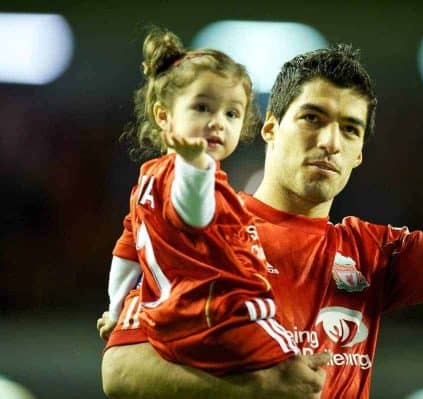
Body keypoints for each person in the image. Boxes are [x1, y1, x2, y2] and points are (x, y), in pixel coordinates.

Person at [100, 19, 423, 398]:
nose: (330, 142)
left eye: (349, 129)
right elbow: (120, 372)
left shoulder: (373, 253)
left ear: (359, 154)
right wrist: (259, 391)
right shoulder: (204, 227)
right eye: (312, 118)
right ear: (270, 127)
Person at [100, 26, 302, 377]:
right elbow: (193, 216)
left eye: (232, 114)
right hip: (214, 318)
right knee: (302, 370)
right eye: (202, 107)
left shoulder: (147, 178)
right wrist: (196, 168)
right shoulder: (191, 177)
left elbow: (126, 251)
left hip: (167, 323)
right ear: (164, 115)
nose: (217, 123)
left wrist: (115, 309)